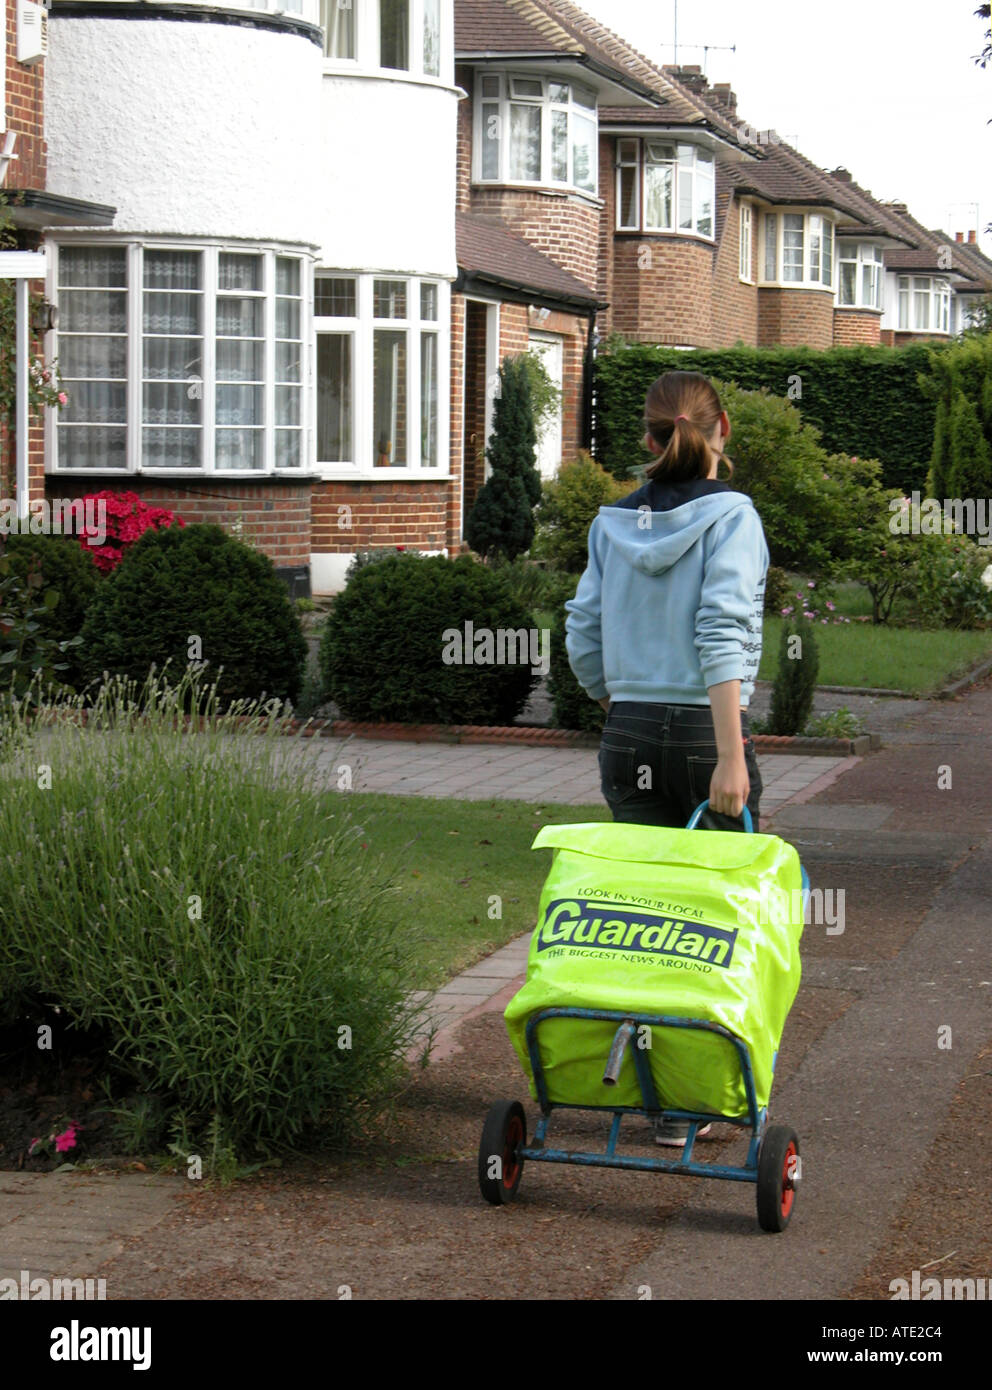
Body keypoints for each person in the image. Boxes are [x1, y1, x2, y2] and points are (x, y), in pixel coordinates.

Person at [564, 369, 769, 1145]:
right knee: (710, 922)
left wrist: (619, 703)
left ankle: (653, 1097)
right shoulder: (735, 518)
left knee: (644, 920)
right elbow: (722, 631)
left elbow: (583, 629)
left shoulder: (610, 522)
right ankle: (693, 1100)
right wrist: (730, 756)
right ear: (720, 433)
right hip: (703, 735)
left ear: (649, 441)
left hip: (630, 734)